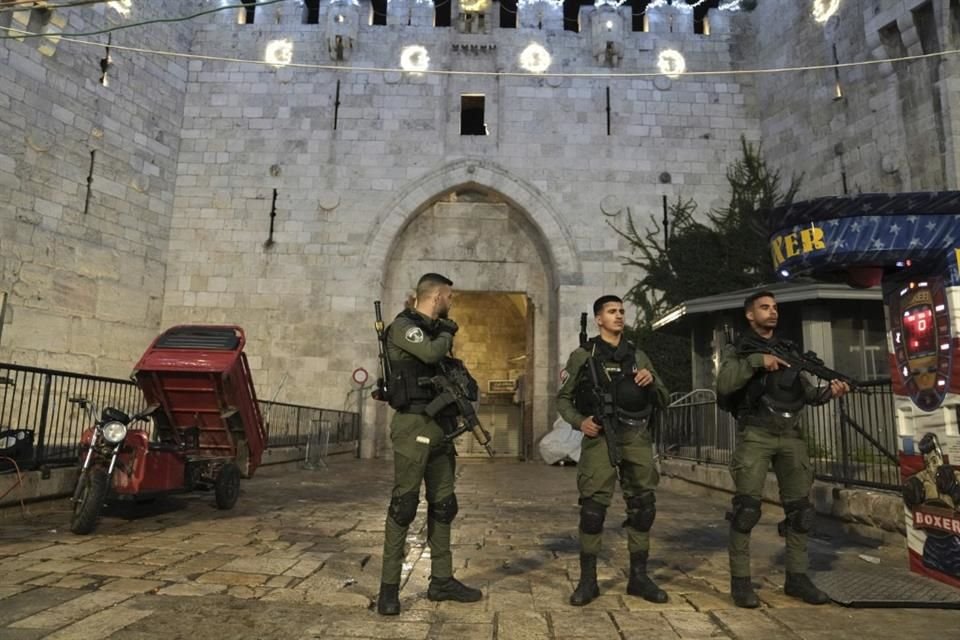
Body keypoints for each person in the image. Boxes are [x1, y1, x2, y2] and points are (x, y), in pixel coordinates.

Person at [716, 290, 849, 608]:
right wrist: (757, 361)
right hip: (756, 434)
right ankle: (741, 582)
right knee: (746, 510)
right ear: (750, 315)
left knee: (801, 512)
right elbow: (724, 385)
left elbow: (804, 393)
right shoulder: (738, 349)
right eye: (764, 307)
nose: (772, 312)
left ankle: (797, 577)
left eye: (775, 307)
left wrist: (830, 392)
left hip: (791, 436)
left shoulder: (788, 349)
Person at [376, 273, 482, 616]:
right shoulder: (404, 327)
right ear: (436, 296)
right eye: (448, 296)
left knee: (444, 505)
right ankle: (389, 589)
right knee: (404, 505)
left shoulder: (433, 329)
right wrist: (448, 330)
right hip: (413, 425)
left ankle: (441, 580)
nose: (451, 302)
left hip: (441, 428)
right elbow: (432, 353)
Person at [557, 295, 670, 606]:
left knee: (643, 506)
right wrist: (581, 423)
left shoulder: (638, 356)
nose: (619, 316)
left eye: (621, 311)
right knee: (593, 511)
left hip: (635, 437)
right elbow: (562, 400)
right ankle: (588, 581)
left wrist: (652, 383)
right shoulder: (583, 355)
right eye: (612, 311)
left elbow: (664, 396)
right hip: (600, 438)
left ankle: (639, 577)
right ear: (598, 319)